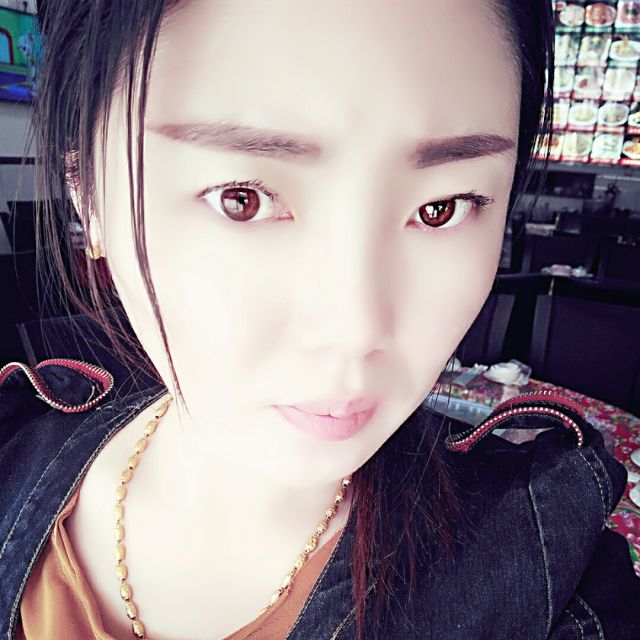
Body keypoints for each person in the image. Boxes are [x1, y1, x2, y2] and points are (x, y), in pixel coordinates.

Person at [1, 0, 639, 638]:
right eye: (242, 199)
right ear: (86, 189)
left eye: (442, 208)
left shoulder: (551, 581)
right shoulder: (10, 454)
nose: (354, 332)